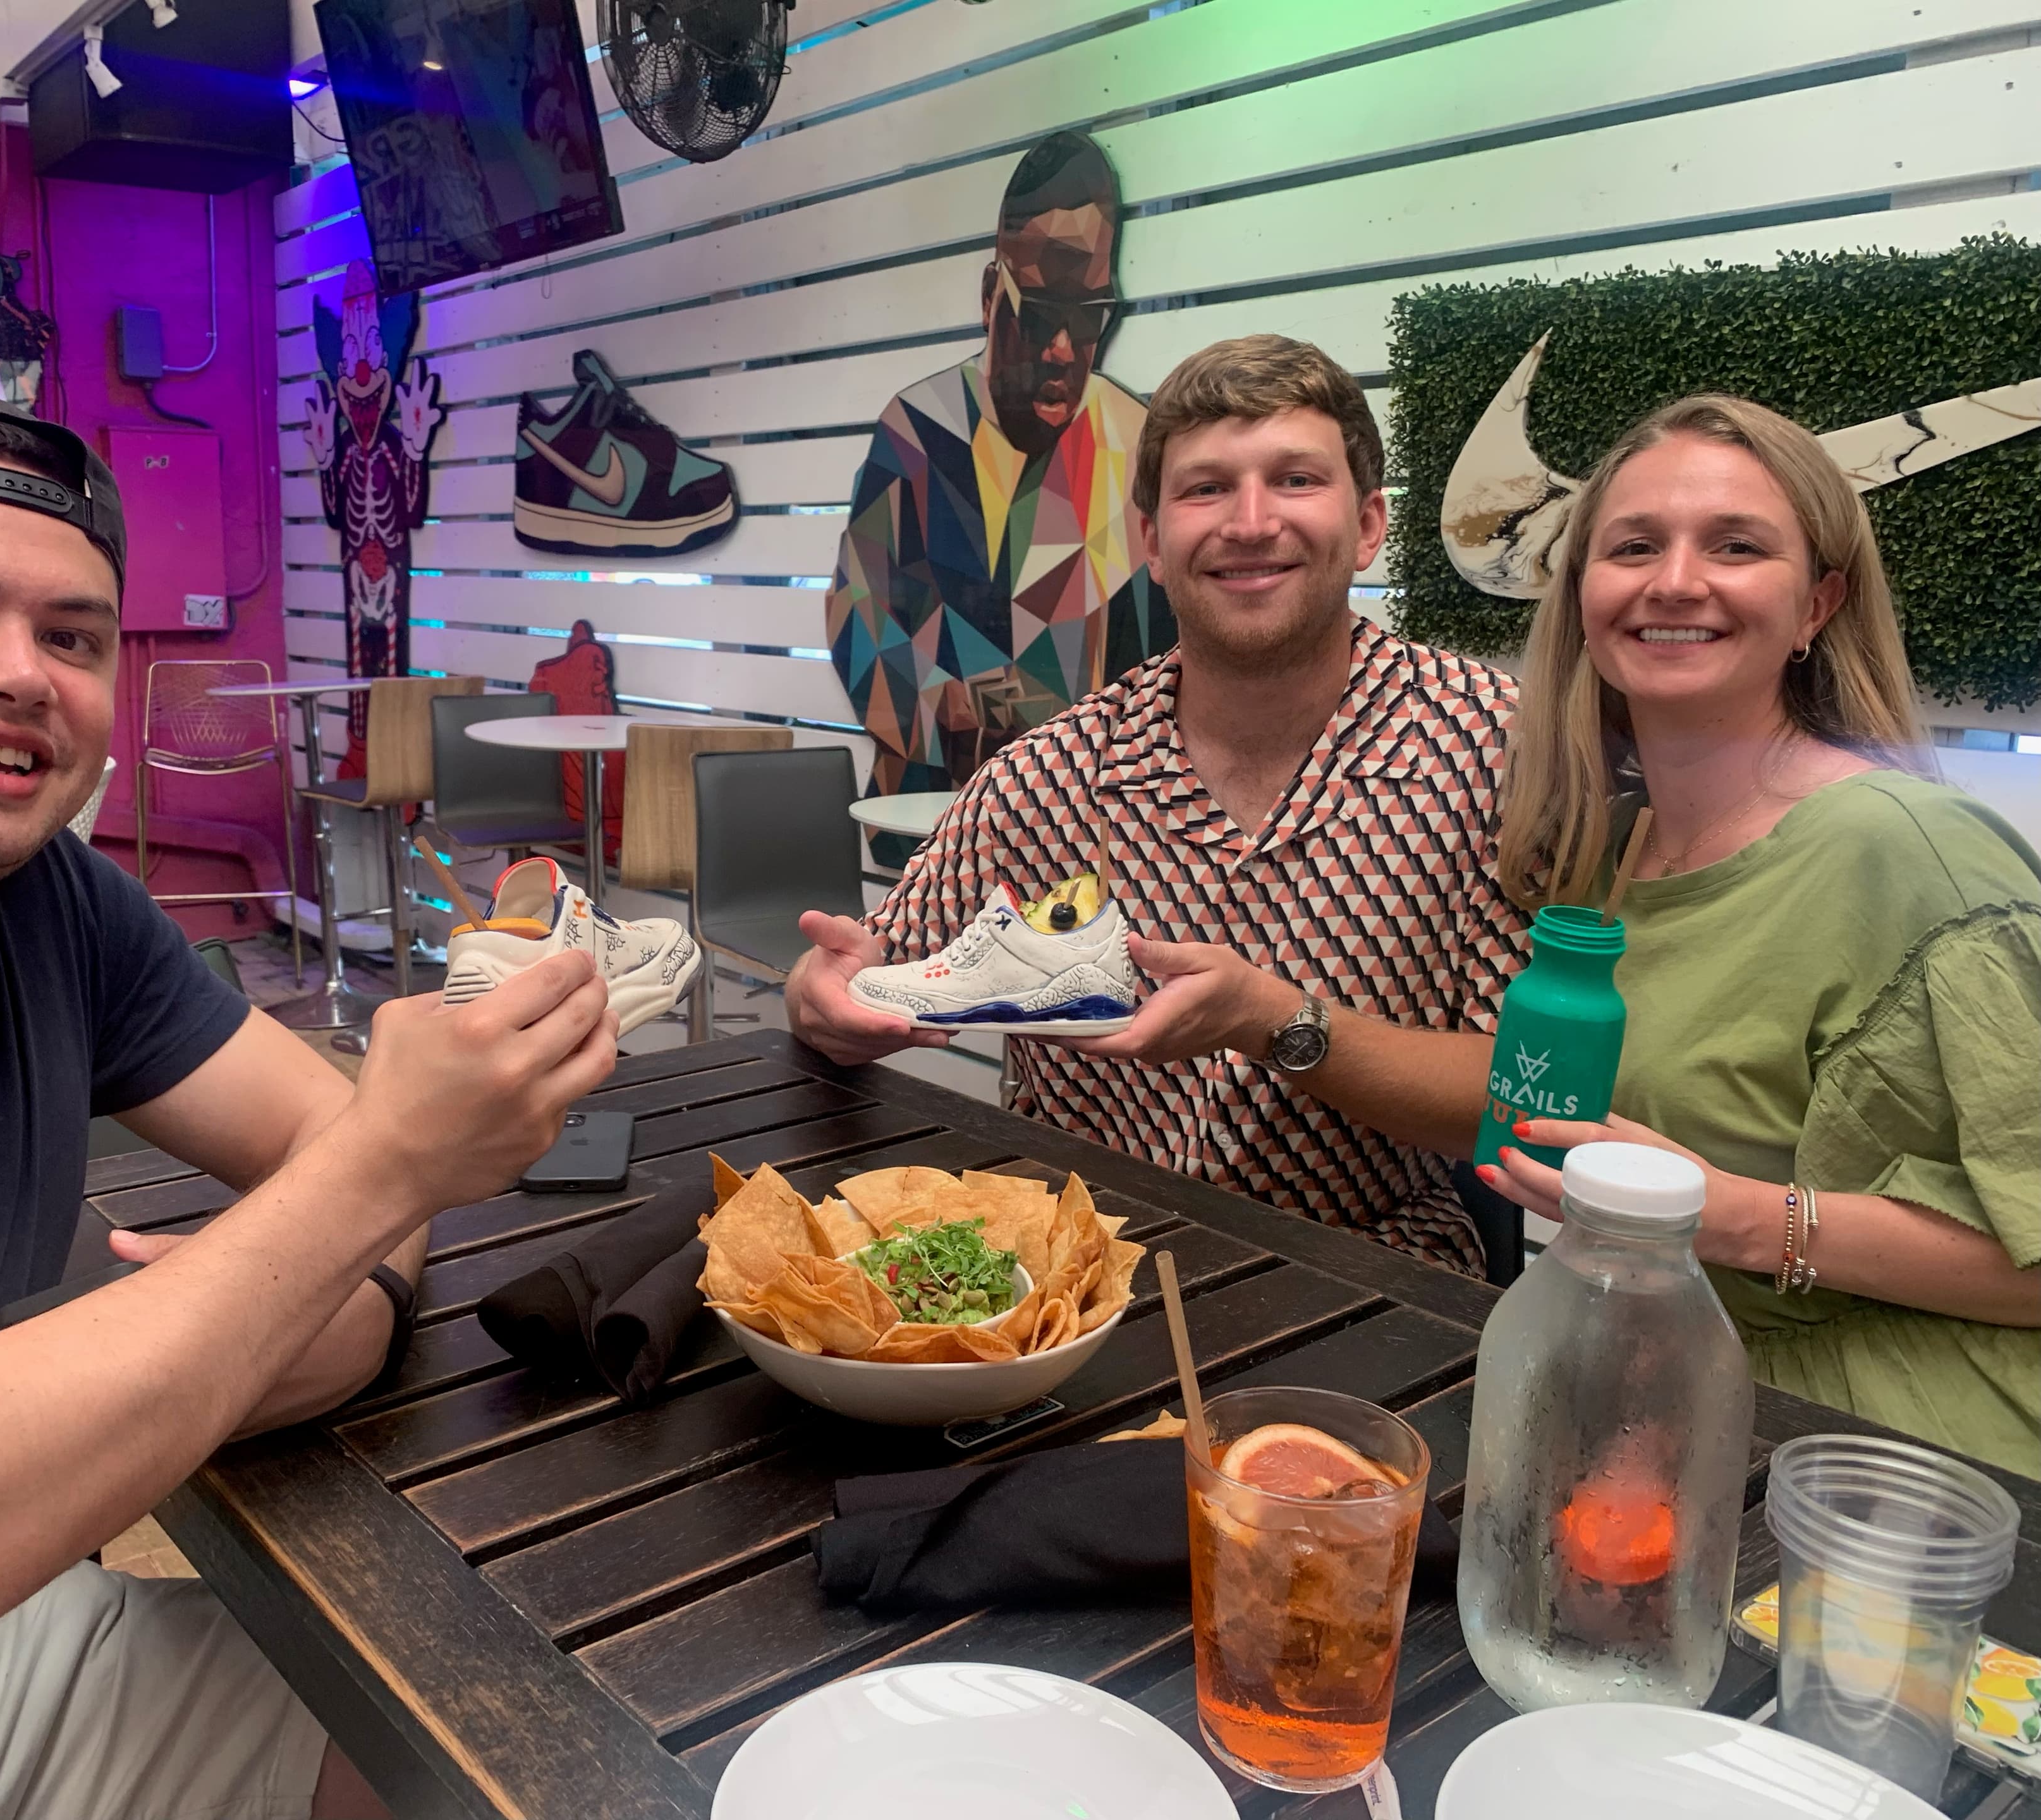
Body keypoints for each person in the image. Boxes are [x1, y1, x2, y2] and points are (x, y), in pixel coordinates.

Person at [0, 392, 617, 1820]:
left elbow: (318, 1141)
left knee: (508, 1756)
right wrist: (370, 1191)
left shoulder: (53, 901)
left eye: (72, 636)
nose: (19, 674)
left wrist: (313, 1281)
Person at [793, 335, 1530, 1274]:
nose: (1251, 522)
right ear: (1151, 536)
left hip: (1367, 1269)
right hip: (1077, 1271)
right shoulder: (1050, 774)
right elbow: (863, 974)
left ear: (1373, 522)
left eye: (1296, 479)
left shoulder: (1493, 749)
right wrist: (820, 998)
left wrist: (1280, 1026)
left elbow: (1526, 1093)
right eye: (1205, 488)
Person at [1475, 393, 2040, 1474]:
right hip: (1689, 1429)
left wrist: (1730, 1218)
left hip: (1906, 1469)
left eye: (1736, 547)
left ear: (1818, 605)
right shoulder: (1617, 856)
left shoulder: (1910, 849)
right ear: (1584, 596)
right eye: (1633, 546)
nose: (1676, 581)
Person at [826, 130, 1174, 811]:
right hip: (931, 824)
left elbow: (1174, 665)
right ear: (993, 296)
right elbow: (856, 619)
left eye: (1091, 315)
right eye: (1041, 315)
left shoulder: (1137, 446)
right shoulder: (919, 431)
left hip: (1084, 837)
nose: (1064, 350)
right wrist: (941, 708)